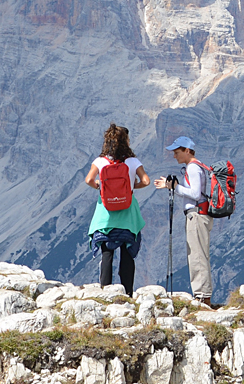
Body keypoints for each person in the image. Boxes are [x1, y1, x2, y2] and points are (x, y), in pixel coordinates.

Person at [84, 123, 150, 294]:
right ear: (125, 141)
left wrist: (100, 185)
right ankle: (128, 292)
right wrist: (131, 187)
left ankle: (105, 290)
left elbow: (88, 180)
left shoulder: (100, 161)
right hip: (128, 211)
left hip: (106, 211)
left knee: (107, 252)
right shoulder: (133, 162)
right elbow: (146, 181)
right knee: (127, 251)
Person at [155, 134, 214, 307]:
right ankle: (202, 294)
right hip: (200, 214)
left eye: (177, 152)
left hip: (196, 214)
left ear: (187, 151)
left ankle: (202, 296)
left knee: (197, 255)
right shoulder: (199, 166)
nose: (174, 156)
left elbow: (195, 194)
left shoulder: (192, 168)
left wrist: (173, 186)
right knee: (198, 253)